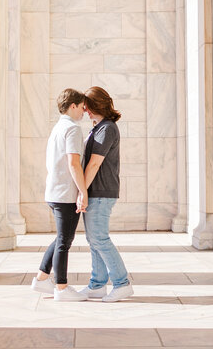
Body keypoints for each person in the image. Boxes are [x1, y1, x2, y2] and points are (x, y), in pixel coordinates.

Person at [31, 88, 90, 301]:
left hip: (54, 191)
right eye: (82, 107)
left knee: (61, 238)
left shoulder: (57, 127)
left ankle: (41, 279)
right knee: (65, 241)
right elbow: (73, 163)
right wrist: (83, 192)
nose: (84, 111)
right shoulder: (72, 128)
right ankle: (62, 288)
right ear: (72, 106)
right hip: (65, 193)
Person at [78, 86, 133, 302]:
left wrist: (82, 192)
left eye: (88, 107)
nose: (86, 111)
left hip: (101, 192)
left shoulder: (107, 128)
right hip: (95, 191)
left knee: (100, 239)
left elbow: (94, 165)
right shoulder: (98, 127)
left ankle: (122, 283)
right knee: (94, 240)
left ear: (96, 105)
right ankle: (97, 285)